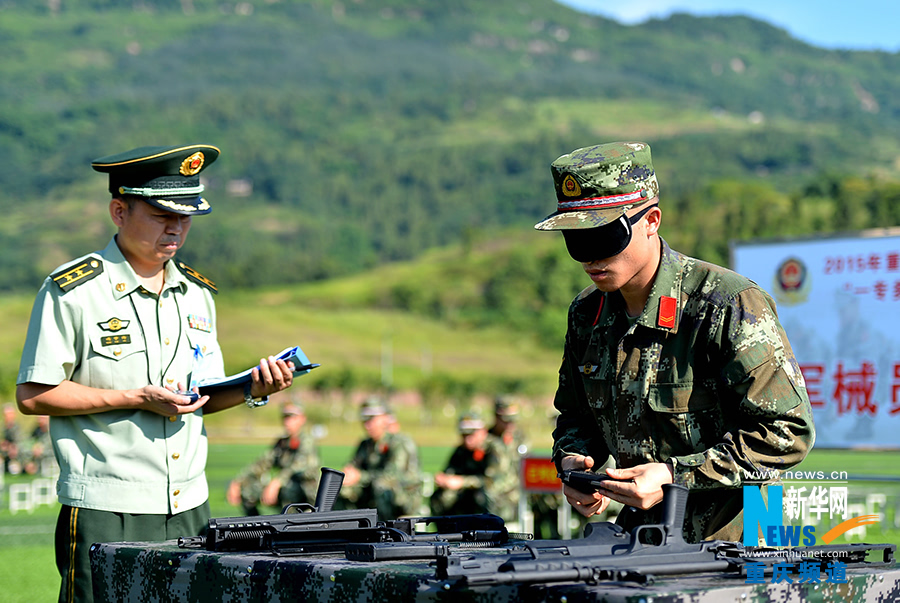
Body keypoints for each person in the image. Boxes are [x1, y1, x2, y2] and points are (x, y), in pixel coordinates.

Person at [15, 144, 297, 603]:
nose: (176, 227)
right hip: (109, 505)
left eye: (186, 216)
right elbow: (33, 395)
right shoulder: (75, 290)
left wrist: (253, 389)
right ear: (119, 211)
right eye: (162, 213)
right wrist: (133, 398)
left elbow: (201, 395)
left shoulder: (197, 294)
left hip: (189, 504)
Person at [534, 141, 815, 543]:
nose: (590, 257)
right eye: (576, 241)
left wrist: (671, 475)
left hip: (738, 541)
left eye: (605, 237)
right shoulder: (587, 315)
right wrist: (575, 463)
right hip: (639, 539)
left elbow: (787, 431)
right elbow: (576, 416)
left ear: (651, 220)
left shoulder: (725, 304)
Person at [227, 402, 320, 515]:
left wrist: (276, 483)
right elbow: (262, 463)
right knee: (248, 489)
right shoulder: (282, 442)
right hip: (284, 487)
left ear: (302, 419)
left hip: (306, 493)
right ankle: (257, 529)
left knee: (288, 489)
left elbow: (297, 466)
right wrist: (238, 481)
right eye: (285, 417)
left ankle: (290, 526)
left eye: (292, 417)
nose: (287, 422)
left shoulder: (306, 441)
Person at [340, 397, 422, 519]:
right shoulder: (366, 444)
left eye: (372, 419)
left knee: (381, 486)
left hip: (402, 497)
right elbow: (353, 466)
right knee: (341, 488)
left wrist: (360, 476)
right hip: (373, 492)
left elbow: (391, 476)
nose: (367, 425)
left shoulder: (399, 443)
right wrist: (346, 476)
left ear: (385, 419)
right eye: (364, 420)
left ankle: (384, 531)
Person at [430, 410, 510, 518]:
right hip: (468, 496)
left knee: (482, 496)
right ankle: (447, 532)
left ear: (483, 431)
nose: (467, 439)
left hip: (503, 499)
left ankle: (490, 531)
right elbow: (450, 471)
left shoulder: (495, 449)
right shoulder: (461, 451)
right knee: (442, 496)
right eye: (464, 434)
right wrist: (444, 479)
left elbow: (492, 481)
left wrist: (462, 482)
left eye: (471, 434)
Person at [487, 396, 526, 522]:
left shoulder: (521, 438)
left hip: (518, 492)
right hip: (495, 493)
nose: (510, 424)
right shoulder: (486, 438)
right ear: (496, 417)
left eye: (513, 420)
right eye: (506, 420)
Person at [1, 402, 23, 474]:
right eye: (6, 415)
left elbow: (18, 443)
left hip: (17, 455)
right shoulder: (4, 428)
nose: (7, 417)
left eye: (9, 414)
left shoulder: (17, 428)